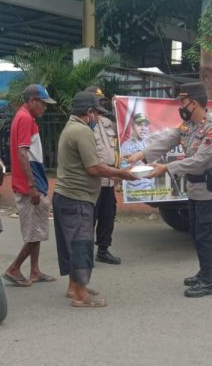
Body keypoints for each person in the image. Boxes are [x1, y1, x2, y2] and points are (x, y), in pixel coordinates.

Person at [125, 82, 212, 298]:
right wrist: (141, 155)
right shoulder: (189, 126)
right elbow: (168, 140)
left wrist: (165, 168)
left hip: (209, 191)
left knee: (206, 237)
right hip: (194, 189)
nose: (180, 105)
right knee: (197, 234)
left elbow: (199, 160)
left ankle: (208, 282)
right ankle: (206, 272)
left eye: (183, 101)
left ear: (195, 103)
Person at [53, 90, 137, 308]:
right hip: (77, 198)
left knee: (71, 244)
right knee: (81, 244)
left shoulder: (71, 127)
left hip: (67, 196)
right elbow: (94, 168)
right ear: (89, 112)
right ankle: (81, 296)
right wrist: (122, 174)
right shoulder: (81, 131)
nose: (99, 118)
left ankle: (74, 287)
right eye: (97, 114)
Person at [5, 84, 57, 287]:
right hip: (30, 185)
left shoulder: (24, 117)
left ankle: (34, 270)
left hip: (32, 182)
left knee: (37, 229)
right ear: (33, 101)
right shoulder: (25, 119)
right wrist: (32, 186)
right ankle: (14, 268)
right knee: (36, 233)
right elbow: (22, 153)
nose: (45, 108)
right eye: (43, 103)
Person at [86, 86, 122, 265]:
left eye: (101, 100)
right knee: (89, 218)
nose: (100, 103)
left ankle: (103, 249)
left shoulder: (107, 123)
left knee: (108, 216)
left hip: (108, 180)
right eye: (97, 100)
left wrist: (119, 106)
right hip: (92, 181)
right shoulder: (84, 124)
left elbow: (126, 127)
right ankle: (84, 252)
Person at [120, 113, 155, 200]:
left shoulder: (150, 144)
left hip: (150, 189)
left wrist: (136, 159)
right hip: (134, 192)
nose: (143, 128)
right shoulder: (126, 145)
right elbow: (123, 167)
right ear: (132, 127)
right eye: (139, 125)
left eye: (146, 125)